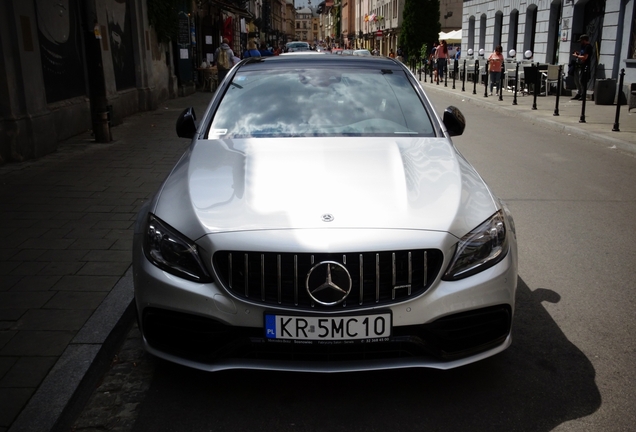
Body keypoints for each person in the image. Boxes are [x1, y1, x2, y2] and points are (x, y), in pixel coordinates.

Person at [572, 34, 592, 100]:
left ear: (584, 40)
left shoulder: (588, 47)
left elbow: (585, 57)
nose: (580, 42)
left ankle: (583, 95)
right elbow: (582, 54)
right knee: (577, 80)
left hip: (584, 66)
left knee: (582, 81)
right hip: (579, 65)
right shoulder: (583, 46)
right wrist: (578, 54)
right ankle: (579, 93)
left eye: (581, 41)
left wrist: (577, 56)